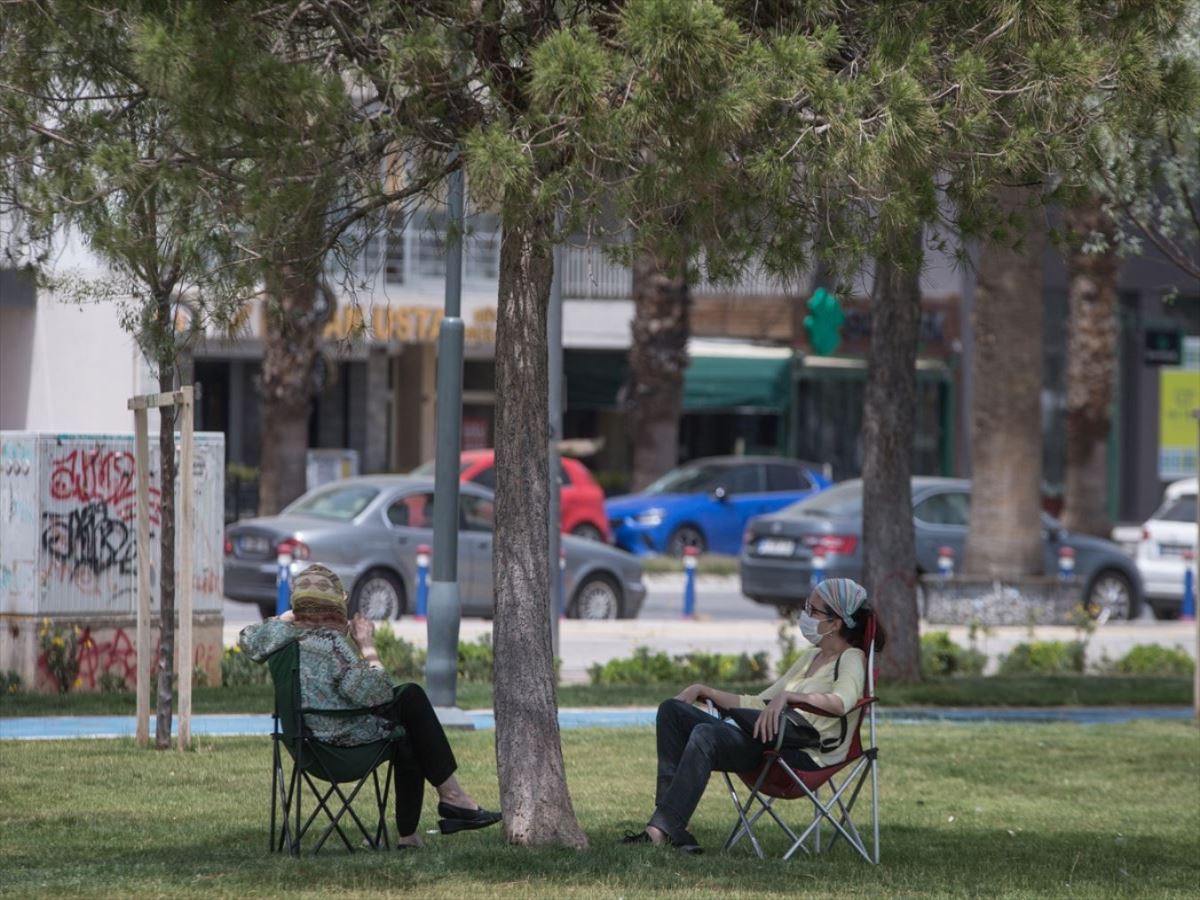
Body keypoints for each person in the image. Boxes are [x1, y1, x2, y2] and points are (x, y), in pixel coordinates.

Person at [239, 563, 500, 848]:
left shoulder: (278, 641)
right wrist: (367, 645)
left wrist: (290, 617)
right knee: (409, 701)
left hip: (303, 747)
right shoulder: (333, 645)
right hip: (339, 749)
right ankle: (449, 801)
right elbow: (378, 693)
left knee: (405, 725)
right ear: (337, 606)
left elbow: (247, 637)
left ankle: (418, 830)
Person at [623, 577, 885, 854]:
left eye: (813, 610)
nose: (805, 614)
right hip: (767, 739)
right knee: (671, 711)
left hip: (800, 755)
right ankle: (670, 826)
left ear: (836, 623)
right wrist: (703, 689)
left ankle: (659, 830)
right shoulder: (811, 657)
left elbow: (841, 702)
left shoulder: (852, 658)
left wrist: (791, 697)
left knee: (706, 734)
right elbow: (757, 702)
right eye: (807, 606)